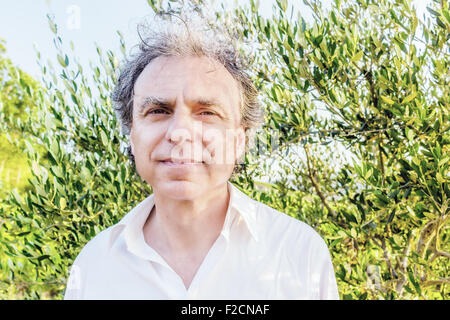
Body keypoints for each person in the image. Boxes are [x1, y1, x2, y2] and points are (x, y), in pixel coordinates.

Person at [63, 17, 339, 300]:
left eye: (207, 113)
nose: (180, 132)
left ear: (239, 140)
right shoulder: (94, 267)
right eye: (158, 110)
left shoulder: (300, 254)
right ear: (132, 135)